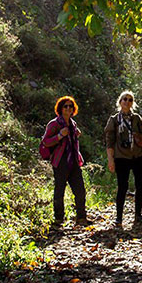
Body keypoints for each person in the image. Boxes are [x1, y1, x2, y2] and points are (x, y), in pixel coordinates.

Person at [105, 91, 142, 226]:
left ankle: (138, 215)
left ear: (133, 103)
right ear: (120, 102)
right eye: (124, 99)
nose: (127, 102)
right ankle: (119, 217)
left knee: (140, 185)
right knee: (122, 187)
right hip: (121, 157)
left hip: (138, 155)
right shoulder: (114, 120)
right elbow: (109, 141)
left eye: (130, 100)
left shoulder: (136, 118)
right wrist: (110, 159)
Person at [41, 96, 90, 226]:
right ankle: (58, 219)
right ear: (60, 109)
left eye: (70, 106)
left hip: (73, 160)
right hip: (60, 161)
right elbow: (45, 142)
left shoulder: (73, 124)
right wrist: (59, 135)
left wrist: (75, 134)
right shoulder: (54, 124)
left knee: (80, 190)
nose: (68, 108)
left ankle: (81, 217)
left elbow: (73, 143)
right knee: (59, 190)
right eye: (65, 106)